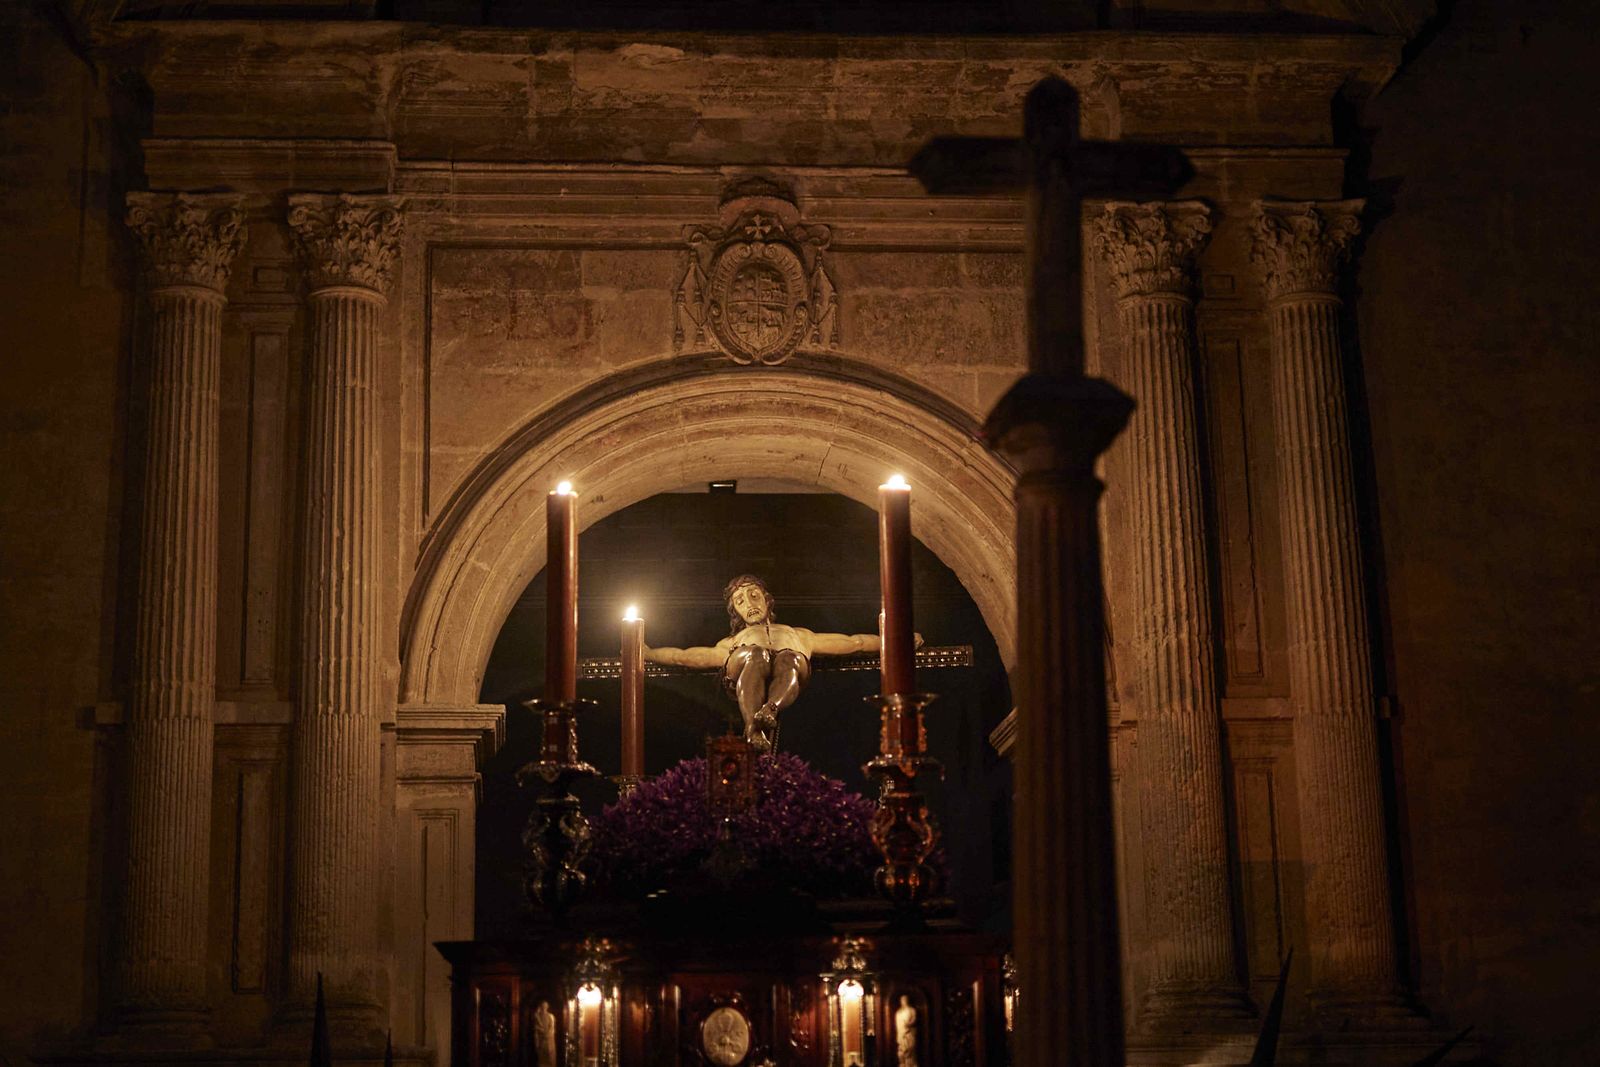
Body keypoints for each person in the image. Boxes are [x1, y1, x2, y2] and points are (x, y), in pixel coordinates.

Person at [645, 575, 907, 751]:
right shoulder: (732, 641)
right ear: (734, 611)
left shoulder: (799, 635)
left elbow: (855, 642)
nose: (749, 603)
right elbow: (683, 656)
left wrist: (896, 639)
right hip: (746, 663)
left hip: (789, 669)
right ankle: (752, 728)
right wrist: (647, 653)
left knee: (790, 656)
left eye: (754, 595)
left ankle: (769, 710)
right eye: (740, 601)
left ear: (767, 599)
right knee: (756, 655)